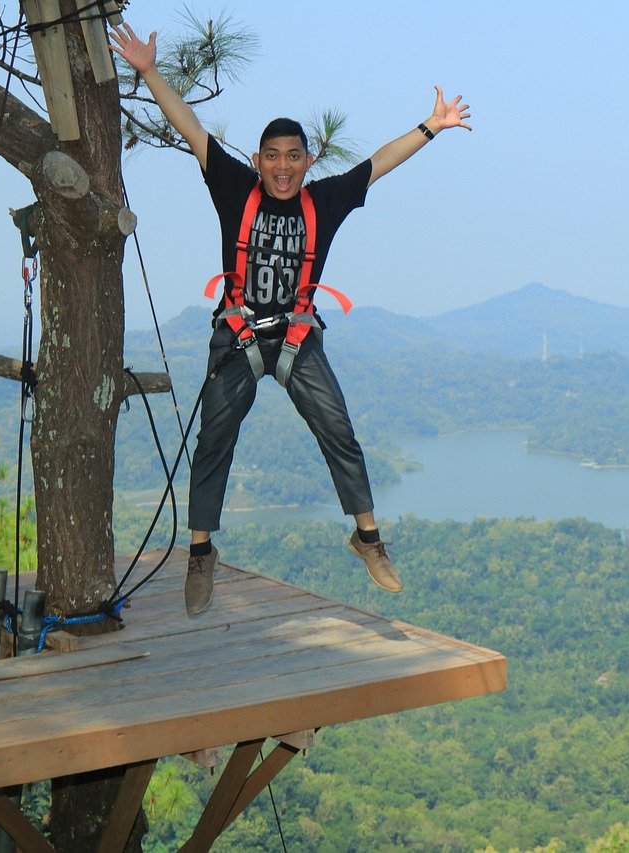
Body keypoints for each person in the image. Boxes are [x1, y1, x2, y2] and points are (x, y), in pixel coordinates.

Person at [109, 23, 471, 615]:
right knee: (214, 442)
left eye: (293, 157)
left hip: (298, 338)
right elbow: (192, 129)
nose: (282, 167)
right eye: (272, 157)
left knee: (340, 432)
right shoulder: (233, 188)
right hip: (238, 334)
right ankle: (201, 553)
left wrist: (432, 126)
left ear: (309, 160)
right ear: (257, 161)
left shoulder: (324, 200)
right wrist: (150, 72)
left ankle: (368, 538)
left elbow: (378, 163)